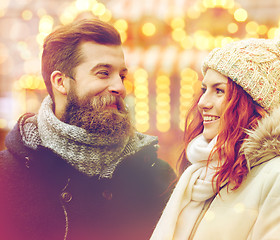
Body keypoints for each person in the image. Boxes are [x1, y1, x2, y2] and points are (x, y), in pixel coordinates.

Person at [151, 30, 280, 240]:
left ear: (252, 102)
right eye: (205, 89)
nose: (203, 102)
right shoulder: (205, 171)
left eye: (219, 90)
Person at [0, 18, 175, 240]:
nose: (119, 87)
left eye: (122, 76)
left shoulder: (157, 177)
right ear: (60, 82)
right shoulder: (6, 178)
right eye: (103, 73)